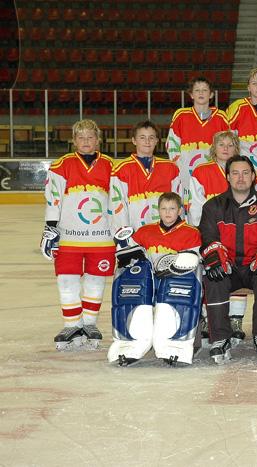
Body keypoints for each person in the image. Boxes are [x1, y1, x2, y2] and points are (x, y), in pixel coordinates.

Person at [198, 155, 257, 364]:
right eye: (235, 173)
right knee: (214, 277)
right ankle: (220, 338)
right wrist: (213, 254)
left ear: (253, 176)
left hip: (254, 265)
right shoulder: (213, 206)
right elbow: (207, 236)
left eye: (245, 173)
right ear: (227, 177)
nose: (240, 178)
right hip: (228, 266)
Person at [42, 119, 115, 350]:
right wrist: (51, 227)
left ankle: (90, 324)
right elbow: (53, 198)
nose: (86, 141)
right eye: (81, 137)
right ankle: (72, 324)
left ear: (98, 140)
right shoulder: (61, 165)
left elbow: (118, 200)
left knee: (96, 279)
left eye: (90, 137)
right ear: (74, 141)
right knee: (66, 279)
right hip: (69, 235)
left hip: (102, 236)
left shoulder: (111, 166)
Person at [108, 192, 202, 366]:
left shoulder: (191, 233)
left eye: (172, 208)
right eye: (164, 208)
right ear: (158, 210)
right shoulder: (145, 231)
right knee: (133, 289)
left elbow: (193, 264)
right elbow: (131, 257)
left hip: (175, 285)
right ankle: (134, 339)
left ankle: (174, 341)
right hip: (149, 281)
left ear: (179, 210)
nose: (168, 212)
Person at [188, 130, 248, 343]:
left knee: (239, 269)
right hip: (212, 235)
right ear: (214, 148)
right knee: (210, 274)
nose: (225, 148)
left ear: (236, 149)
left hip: (238, 234)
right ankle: (208, 318)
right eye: (221, 144)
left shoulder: (242, 170)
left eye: (230, 145)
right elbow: (196, 207)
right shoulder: (201, 171)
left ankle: (236, 319)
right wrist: (206, 233)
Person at [166, 77, 230, 209]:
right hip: (186, 173)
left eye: (205, 90)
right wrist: (180, 166)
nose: (201, 93)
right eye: (197, 90)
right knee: (189, 208)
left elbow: (229, 145)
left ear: (211, 94)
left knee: (214, 207)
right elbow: (172, 144)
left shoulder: (221, 117)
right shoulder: (181, 115)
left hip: (213, 174)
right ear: (191, 94)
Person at [110, 120, 181, 234]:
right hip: (135, 235)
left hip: (165, 234)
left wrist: (177, 231)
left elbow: (178, 203)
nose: (147, 141)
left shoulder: (171, 168)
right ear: (134, 140)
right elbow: (118, 206)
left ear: (156, 141)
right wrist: (125, 236)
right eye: (142, 137)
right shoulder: (121, 169)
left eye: (151, 137)